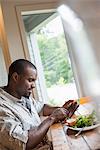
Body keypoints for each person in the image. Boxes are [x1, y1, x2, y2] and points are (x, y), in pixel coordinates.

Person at [0, 59, 78, 150]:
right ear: (16, 77)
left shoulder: (23, 95)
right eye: (30, 80)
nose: (33, 85)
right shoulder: (2, 107)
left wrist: (62, 109)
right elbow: (25, 143)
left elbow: (41, 108)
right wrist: (52, 117)